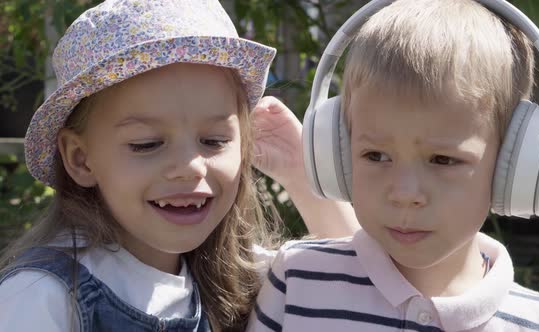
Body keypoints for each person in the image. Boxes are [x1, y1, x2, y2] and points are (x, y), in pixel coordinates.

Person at [0, 1, 358, 331]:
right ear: (80, 158)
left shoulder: (242, 279)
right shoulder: (41, 297)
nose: (190, 168)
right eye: (147, 144)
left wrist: (303, 176)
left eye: (214, 141)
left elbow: (361, 291)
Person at [249, 0, 539, 331]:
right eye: (375, 155)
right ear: (338, 154)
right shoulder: (297, 281)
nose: (404, 194)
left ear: (514, 165)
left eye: (443, 160)